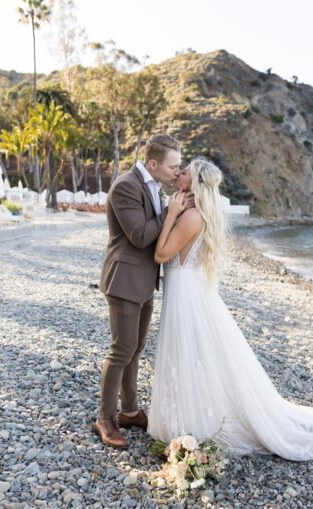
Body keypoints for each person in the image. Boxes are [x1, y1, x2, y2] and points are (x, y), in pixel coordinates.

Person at [146, 158, 313, 460]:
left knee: (188, 353)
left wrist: (170, 215)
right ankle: (189, 413)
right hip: (189, 290)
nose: (179, 173)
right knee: (193, 356)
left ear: (194, 184)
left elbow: (160, 254)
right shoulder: (196, 213)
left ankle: (196, 419)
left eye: (185, 172)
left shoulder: (190, 217)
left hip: (186, 294)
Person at [95, 134, 186, 449]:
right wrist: (169, 214)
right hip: (124, 280)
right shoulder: (125, 186)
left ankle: (130, 410)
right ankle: (105, 419)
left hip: (145, 280)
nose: (177, 171)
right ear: (152, 163)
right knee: (121, 349)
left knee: (135, 348)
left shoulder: (152, 185)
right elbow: (138, 236)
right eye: (173, 166)